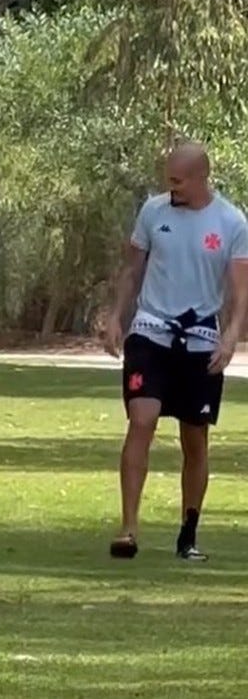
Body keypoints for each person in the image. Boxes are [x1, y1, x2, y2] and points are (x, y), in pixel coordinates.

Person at [103, 142, 248, 561]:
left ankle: (188, 535)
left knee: (195, 439)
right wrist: (116, 316)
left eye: (178, 180)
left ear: (202, 177)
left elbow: (241, 292)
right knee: (141, 419)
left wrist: (231, 336)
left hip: (201, 339)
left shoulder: (231, 222)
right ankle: (128, 529)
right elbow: (132, 269)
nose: (171, 188)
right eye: (168, 179)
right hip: (151, 331)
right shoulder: (153, 211)